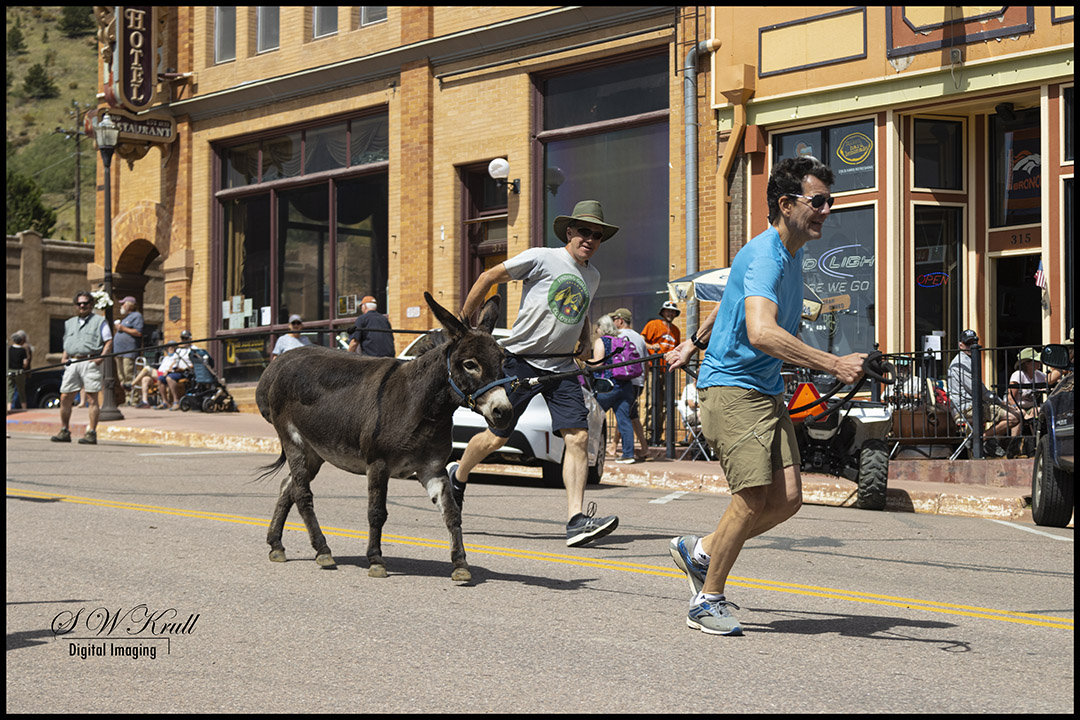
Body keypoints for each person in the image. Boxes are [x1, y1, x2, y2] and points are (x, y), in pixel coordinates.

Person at [665, 156, 866, 635]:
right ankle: (706, 600)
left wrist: (693, 340)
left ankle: (701, 551)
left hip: (765, 391)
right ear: (785, 204)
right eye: (817, 201)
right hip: (735, 391)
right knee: (753, 496)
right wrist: (834, 363)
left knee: (790, 497)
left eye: (828, 201)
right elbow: (759, 331)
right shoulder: (766, 255)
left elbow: (733, 301)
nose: (826, 210)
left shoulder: (790, 255)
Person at [449, 199, 620, 547]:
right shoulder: (542, 257)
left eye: (597, 235)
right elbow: (488, 276)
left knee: (578, 438)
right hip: (520, 360)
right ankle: (459, 474)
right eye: (584, 231)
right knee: (496, 437)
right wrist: (462, 325)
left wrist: (585, 342)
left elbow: (581, 310)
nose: (589, 238)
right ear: (569, 232)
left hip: (561, 368)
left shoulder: (593, 275)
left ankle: (575, 520)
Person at [946, 329, 1022, 457]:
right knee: (1014, 417)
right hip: (967, 408)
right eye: (968, 343)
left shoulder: (968, 360)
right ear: (961, 345)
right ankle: (982, 439)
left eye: (973, 343)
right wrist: (999, 401)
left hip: (972, 405)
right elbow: (977, 390)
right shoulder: (961, 363)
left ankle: (983, 440)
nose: (971, 347)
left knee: (1014, 414)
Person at [51, 291, 114, 445]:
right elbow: (67, 341)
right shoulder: (69, 323)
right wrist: (64, 356)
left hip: (90, 360)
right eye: (79, 303)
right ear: (76, 306)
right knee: (65, 396)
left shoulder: (100, 321)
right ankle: (64, 430)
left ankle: (91, 432)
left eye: (85, 303)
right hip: (72, 362)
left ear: (91, 305)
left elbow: (109, 341)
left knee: (92, 398)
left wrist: (100, 358)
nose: (82, 306)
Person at [590, 314, 637, 464]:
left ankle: (591, 452)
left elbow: (597, 363)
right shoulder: (621, 341)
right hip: (625, 385)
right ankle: (628, 454)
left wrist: (582, 362)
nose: (596, 330)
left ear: (601, 327)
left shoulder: (601, 341)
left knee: (593, 418)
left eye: (597, 327)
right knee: (624, 420)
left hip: (607, 387)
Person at [611, 307, 650, 460]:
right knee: (630, 414)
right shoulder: (639, 337)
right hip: (638, 381)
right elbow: (646, 363)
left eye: (614, 319)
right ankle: (642, 448)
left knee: (623, 413)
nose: (613, 322)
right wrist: (643, 380)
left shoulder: (618, 335)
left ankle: (619, 447)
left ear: (620, 320)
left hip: (624, 380)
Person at [641, 301, 682, 443]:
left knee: (665, 404)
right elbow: (641, 340)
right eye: (668, 311)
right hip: (654, 367)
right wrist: (652, 346)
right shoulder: (653, 324)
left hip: (668, 370)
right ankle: (647, 435)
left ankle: (658, 436)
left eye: (673, 311)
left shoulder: (676, 330)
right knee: (652, 402)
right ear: (663, 312)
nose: (670, 313)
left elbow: (677, 349)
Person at [113, 296, 144, 406]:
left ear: (129, 305)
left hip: (128, 352)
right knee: (122, 377)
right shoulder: (126, 317)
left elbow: (138, 332)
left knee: (129, 375)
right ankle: (127, 399)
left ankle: (134, 399)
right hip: (119, 351)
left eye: (123, 304)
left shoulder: (137, 316)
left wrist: (122, 328)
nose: (121, 306)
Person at [1008, 347, 1048, 422]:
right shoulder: (1018, 375)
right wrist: (1017, 408)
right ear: (1027, 363)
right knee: (1020, 414)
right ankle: (1016, 434)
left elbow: (1050, 381)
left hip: (1031, 407)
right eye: (1036, 361)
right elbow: (1010, 397)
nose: (1039, 362)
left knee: (1038, 410)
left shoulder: (1039, 375)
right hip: (1014, 407)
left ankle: (1035, 433)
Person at [8, 330, 31, 411]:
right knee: (21, 390)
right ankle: (24, 408)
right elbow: (25, 363)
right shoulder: (22, 350)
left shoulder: (9, 349)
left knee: (10, 389)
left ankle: (9, 408)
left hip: (10, 371)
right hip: (19, 371)